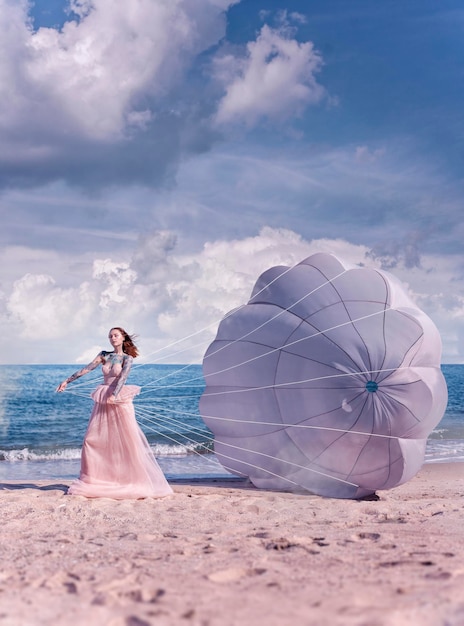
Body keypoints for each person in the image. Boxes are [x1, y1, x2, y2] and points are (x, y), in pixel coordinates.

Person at [56, 327, 173, 499]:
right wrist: (67, 381)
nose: (112, 338)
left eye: (115, 335)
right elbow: (86, 369)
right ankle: (93, 480)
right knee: (91, 440)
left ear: (123, 337)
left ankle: (128, 479)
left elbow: (123, 377)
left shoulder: (127, 358)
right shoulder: (104, 355)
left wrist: (114, 395)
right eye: (110, 336)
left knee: (126, 442)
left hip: (118, 400)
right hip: (103, 399)